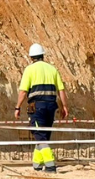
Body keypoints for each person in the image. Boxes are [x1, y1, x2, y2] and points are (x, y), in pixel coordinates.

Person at [13, 43, 69, 172]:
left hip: (37, 107)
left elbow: (23, 91)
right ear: (43, 55)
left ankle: (50, 165)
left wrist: (17, 107)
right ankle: (37, 165)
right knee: (44, 135)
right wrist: (65, 106)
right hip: (51, 107)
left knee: (40, 135)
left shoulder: (29, 70)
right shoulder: (52, 69)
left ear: (31, 57)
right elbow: (61, 90)